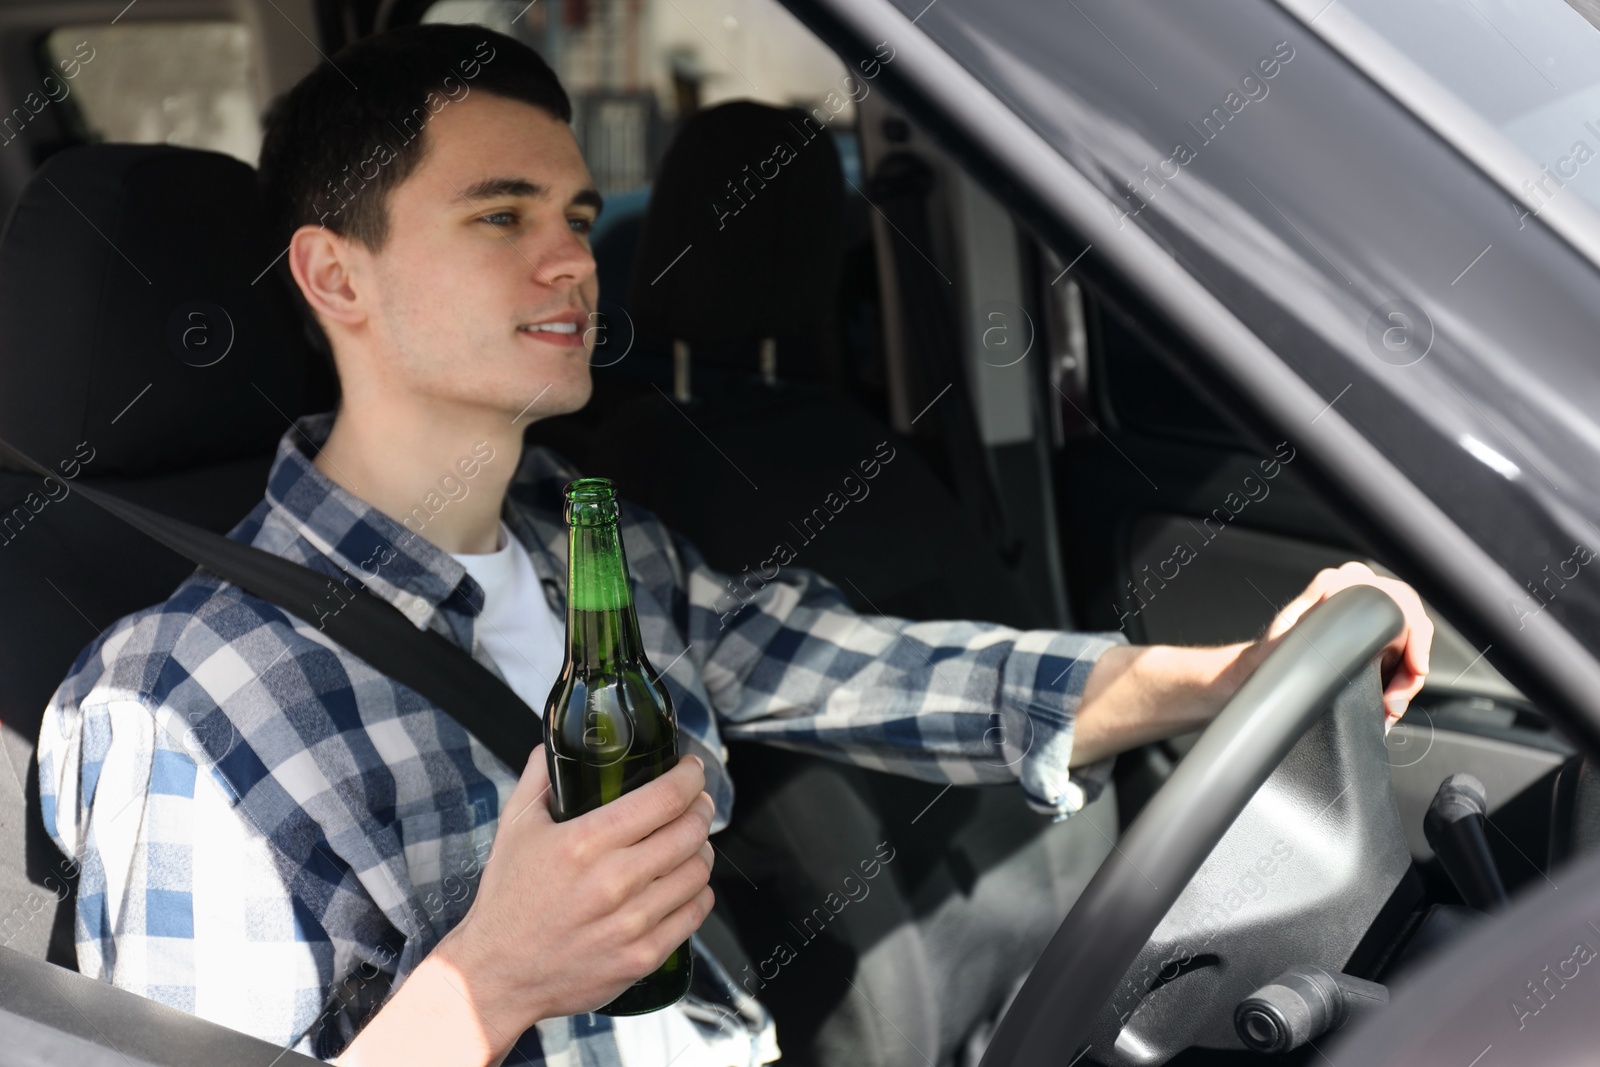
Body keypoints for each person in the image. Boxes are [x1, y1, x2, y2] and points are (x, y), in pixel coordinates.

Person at [34, 22, 1433, 1067]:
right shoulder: (181, 704)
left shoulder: (603, 550)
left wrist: (1241, 668)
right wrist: (494, 977)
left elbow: (902, 675)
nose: (573, 259)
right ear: (336, 273)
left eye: (578, 217)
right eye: (501, 217)